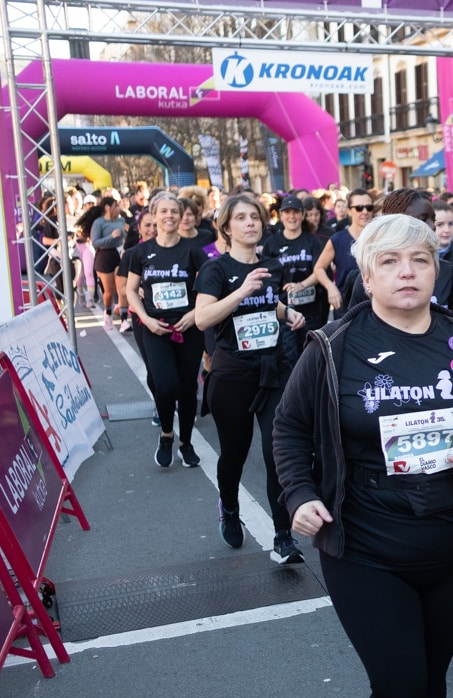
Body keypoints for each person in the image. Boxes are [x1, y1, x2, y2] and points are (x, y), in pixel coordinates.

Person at [273, 214, 453, 698]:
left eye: (420, 260)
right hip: (365, 545)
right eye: (390, 262)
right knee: (400, 685)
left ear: (437, 271)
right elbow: (289, 428)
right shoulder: (333, 347)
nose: (407, 272)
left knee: (432, 683)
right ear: (367, 277)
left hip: (452, 543)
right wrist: (301, 495)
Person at [194, 194, 307, 564]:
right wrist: (242, 290)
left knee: (278, 453)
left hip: (273, 372)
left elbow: (267, 303)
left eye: (255, 217)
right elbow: (202, 318)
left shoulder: (271, 265)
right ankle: (229, 508)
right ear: (227, 227)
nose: (250, 223)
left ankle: (283, 536)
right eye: (241, 218)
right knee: (235, 454)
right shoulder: (215, 270)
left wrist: (287, 313)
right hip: (232, 376)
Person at [124, 191, 207, 469]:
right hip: (155, 329)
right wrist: (146, 319)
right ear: (154, 215)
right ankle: (167, 434)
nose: (169, 216)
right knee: (166, 384)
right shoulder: (140, 252)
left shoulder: (193, 251)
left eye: (174, 211)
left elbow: (209, 289)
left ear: (181, 215)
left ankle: (186, 443)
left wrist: (194, 314)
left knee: (187, 389)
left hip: (188, 329)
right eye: (164, 211)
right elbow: (131, 290)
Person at [263, 194, 328, 359]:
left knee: (310, 355)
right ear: (281, 215)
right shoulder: (272, 243)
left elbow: (320, 270)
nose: (292, 216)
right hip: (283, 309)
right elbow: (266, 276)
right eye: (287, 212)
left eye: (296, 212)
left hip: (311, 309)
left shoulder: (312, 241)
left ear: (302, 215)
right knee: (289, 356)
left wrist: (301, 285)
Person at [312, 188, 377, 311]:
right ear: (349, 211)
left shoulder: (380, 238)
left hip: (375, 305)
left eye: (369, 207)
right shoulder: (337, 239)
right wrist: (331, 287)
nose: (365, 212)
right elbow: (319, 268)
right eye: (359, 208)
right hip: (346, 306)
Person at [82, 196, 127, 328]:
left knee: (122, 288)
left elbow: (125, 236)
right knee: (109, 291)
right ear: (108, 207)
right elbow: (95, 242)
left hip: (118, 254)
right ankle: (108, 314)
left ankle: (124, 320)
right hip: (104, 256)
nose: (118, 209)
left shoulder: (121, 220)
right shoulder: (99, 223)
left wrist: (125, 235)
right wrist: (111, 237)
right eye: (116, 206)